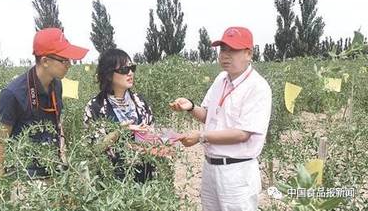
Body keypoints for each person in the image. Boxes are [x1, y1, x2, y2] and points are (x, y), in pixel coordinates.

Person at [170, 26, 272, 211]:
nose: (225, 55)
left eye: (232, 50)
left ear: (248, 54)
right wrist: (191, 107)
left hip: (237, 173)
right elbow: (210, 116)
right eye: (223, 49)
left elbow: (242, 134)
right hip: (211, 167)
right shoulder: (221, 80)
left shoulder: (257, 87)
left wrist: (201, 137)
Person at [0, 27, 89, 178]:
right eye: (64, 60)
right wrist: (1, 183)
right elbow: (0, 140)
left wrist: (63, 158)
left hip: (53, 169)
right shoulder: (12, 93)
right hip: (25, 175)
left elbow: (58, 123)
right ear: (45, 61)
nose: (69, 64)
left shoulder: (57, 84)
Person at [83, 48, 156, 183]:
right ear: (109, 75)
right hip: (112, 186)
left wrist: (149, 137)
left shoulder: (140, 102)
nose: (130, 73)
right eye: (124, 70)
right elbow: (94, 149)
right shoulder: (96, 107)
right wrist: (119, 131)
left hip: (145, 182)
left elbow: (153, 135)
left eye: (132, 68)